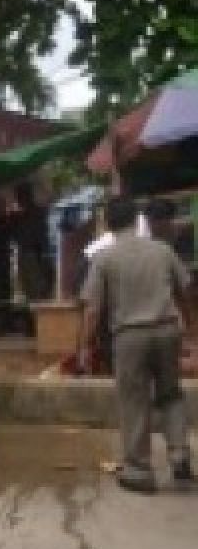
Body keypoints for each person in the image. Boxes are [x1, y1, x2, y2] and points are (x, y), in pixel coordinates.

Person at [81, 196, 192, 494]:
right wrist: (190, 329)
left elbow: (92, 309)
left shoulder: (104, 258)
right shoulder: (162, 250)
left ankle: (140, 471)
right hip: (168, 330)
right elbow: (185, 290)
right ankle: (179, 453)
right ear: (135, 218)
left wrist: (84, 345)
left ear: (108, 223)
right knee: (171, 394)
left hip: (130, 336)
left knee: (134, 402)